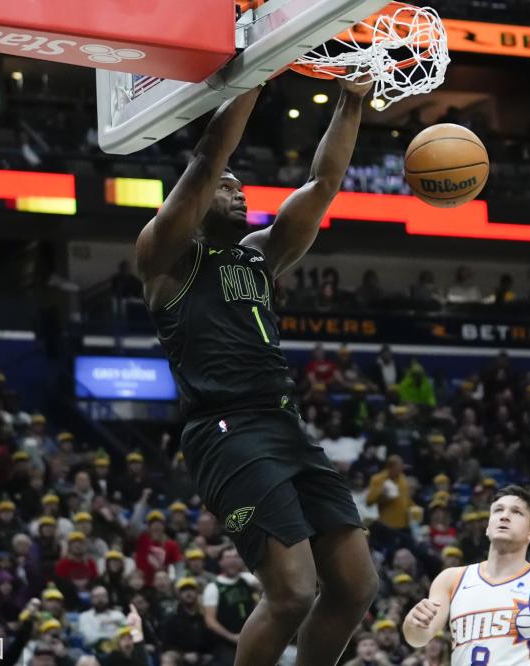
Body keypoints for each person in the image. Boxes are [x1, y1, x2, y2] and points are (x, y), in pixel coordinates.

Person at [136, 75, 378, 666]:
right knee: (292, 593)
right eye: (225, 188)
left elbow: (324, 182)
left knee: (355, 586)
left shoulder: (260, 254)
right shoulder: (164, 258)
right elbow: (208, 155)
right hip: (225, 431)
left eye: (242, 188)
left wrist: (352, 100)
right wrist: (250, 78)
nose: (238, 192)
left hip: (283, 423)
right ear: (191, 203)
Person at [403, 485, 530, 664]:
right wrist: (413, 622)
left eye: (517, 512)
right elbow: (418, 638)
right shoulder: (451, 579)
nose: (505, 516)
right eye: (498, 510)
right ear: (487, 527)